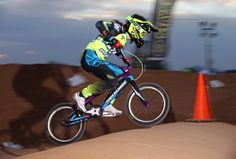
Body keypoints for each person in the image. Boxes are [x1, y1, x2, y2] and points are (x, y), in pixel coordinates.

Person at [73, 14, 158, 116]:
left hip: (97, 59)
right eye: (143, 33)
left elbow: (115, 49)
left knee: (121, 75)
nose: (142, 36)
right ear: (136, 27)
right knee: (112, 79)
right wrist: (112, 38)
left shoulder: (124, 38)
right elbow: (99, 24)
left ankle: (108, 103)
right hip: (90, 57)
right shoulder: (117, 28)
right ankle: (82, 95)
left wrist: (124, 59)